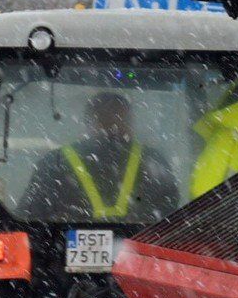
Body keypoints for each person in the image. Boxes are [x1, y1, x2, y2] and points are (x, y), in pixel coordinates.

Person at [20, 91, 180, 221]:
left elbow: (30, 214)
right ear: (130, 123)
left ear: (88, 123)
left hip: (62, 248)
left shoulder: (56, 162)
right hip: (139, 248)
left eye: (117, 119)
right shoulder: (152, 161)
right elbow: (169, 215)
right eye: (110, 119)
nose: (114, 125)